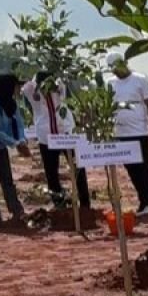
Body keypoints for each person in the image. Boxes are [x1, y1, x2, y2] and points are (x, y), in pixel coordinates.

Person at [105, 51, 148, 217]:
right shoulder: (110, 83)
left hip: (139, 132)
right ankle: (144, 202)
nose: (115, 70)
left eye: (117, 65)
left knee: (146, 168)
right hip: (120, 133)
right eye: (112, 67)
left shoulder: (140, 79)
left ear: (124, 62)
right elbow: (107, 106)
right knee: (132, 170)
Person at [22, 71, 90, 209]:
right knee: (51, 171)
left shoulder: (60, 86)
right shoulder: (30, 89)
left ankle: (84, 202)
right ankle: (59, 201)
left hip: (66, 131)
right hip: (46, 135)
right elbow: (27, 101)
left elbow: (71, 100)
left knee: (77, 167)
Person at [0, 73, 30, 223]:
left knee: (7, 178)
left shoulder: (12, 105)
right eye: (16, 86)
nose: (18, 90)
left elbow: (19, 125)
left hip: (1, 146)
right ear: (8, 88)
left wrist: (21, 140)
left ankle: (16, 210)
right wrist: (14, 144)